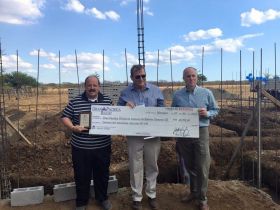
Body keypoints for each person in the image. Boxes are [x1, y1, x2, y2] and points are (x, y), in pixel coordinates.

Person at [61, 75, 113, 210]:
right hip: (81, 148)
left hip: (102, 147)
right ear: (85, 87)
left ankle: (102, 198)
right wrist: (73, 127)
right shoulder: (75, 101)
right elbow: (65, 116)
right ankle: (81, 202)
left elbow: (115, 118)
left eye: (95, 85)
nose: (92, 88)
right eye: (89, 85)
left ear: (99, 87)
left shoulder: (107, 101)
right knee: (81, 175)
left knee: (102, 174)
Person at [117, 64, 164, 210]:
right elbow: (119, 111)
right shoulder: (125, 93)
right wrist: (125, 107)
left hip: (153, 135)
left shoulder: (156, 90)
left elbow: (163, 111)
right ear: (132, 78)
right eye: (137, 76)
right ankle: (137, 197)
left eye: (143, 76)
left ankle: (151, 195)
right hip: (134, 136)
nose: (141, 79)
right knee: (135, 165)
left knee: (152, 165)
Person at [171, 67, 219, 210]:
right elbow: (172, 113)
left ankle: (202, 198)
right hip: (184, 134)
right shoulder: (177, 95)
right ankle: (193, 192)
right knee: (190, 165)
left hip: (201, 131)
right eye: (188, 76)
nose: (191, 78)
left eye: (193, 76)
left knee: (202, 166)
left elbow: (216, 110)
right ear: (183, 78)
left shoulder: (206, 93)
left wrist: (208, 113)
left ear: (197, 77)